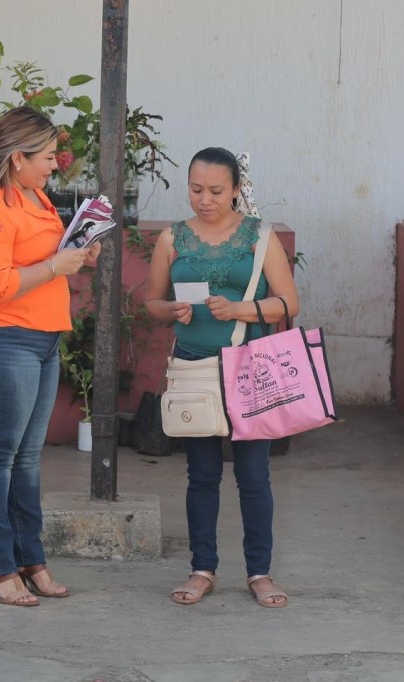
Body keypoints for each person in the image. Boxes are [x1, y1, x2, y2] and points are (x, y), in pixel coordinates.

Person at [0, 106, 99, 607]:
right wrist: (55, 263)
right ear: (17, 158)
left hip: (41, 338)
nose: (55, 165)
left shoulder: (34, 196)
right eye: (47, 157)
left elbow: (41, 264)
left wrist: (75, 255)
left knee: (27, 460)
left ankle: (30, 560)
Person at [145, 147, 300, 608]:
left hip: (248, 368)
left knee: (254, 474)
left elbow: (289, 302)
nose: (205, 199)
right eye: (196, 189)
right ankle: (202, 568)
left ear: (236, 190)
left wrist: (239, 309)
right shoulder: (172, 238)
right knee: (202, 475)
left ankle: (260, 572)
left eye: (216, 190)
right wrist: (169, 310)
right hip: (194, 365)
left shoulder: (259, 237)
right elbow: (151, 302)